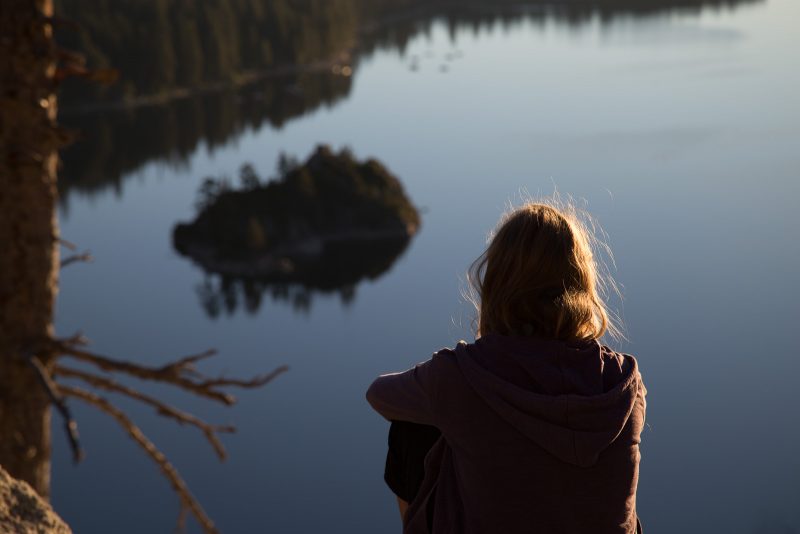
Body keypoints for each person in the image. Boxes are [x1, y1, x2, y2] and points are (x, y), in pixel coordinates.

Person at [366, 202, 647, 533]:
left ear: (498, 283)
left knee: (411, 430)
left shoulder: (461, 376)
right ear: (581, 283)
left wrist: (448, 393)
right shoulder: (622, 383)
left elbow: (379, 394)